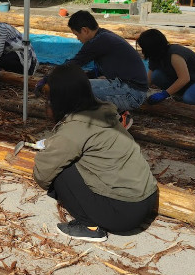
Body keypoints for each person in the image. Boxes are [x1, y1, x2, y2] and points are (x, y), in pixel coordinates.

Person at [33, 64, 158, 242]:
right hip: (146, 200)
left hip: (123, 213)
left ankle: (89, 226)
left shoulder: (75, 129)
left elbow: (42, 174)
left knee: (62, 171)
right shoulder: (103, 110)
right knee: (71, 160)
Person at [60, 10, 148, 125]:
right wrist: (84, 76)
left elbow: (75, 63)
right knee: (83, 83)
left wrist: (50, 79)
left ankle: (117, 118)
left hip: (132, 93)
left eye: (77, 34)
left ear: (85, 30)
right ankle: (113, 113)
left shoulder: (98, 41)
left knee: (78, 88)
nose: (77, 39)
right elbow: (99, 70)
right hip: (132, 89)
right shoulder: (103, 36)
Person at [136, 29, 195, 110]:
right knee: (157, 75)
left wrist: (165, 94)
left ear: (152, 47)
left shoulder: (175, 54)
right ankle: (181, 95)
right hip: (188, 84)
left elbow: (184, 78)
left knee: (190, 98)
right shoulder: (155, 56)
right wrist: (140, 90)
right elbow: (150, 76)